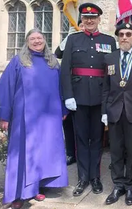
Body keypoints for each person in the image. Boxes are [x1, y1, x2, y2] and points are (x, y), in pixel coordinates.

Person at [0, 29, 68, 209]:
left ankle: (36, 187)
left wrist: (63, 109)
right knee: (22, 154)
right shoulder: (18, 62)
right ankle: (18, 194)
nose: (36, 41)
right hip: (23, 118)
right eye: (32, 39)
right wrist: (4, 115)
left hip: (47, 118)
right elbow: (6, 87)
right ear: (27, 42)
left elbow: (61, 88)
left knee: (42, 152)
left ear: (45, 41)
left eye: (39, 38)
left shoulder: (53, 64)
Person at [61, 3, 117, 196]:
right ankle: (83, 178)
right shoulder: (73, 40)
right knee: (81, 140)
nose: (89, 20)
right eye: (86, 18)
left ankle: (95, 177)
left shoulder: (109, 41)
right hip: (78, 98)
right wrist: (68, 96)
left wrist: (110, 98)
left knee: (97, 140)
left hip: (100, 99)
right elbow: (65, 70)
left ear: (99, 19)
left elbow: (112, 72)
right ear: (82, 21)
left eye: (93, 17)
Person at [101, 22, 132, 206]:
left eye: (128, 34)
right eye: (121, 34)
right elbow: (105, 88)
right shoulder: (109, 58)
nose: (124, 37)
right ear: (117, 37)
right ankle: (118, 185)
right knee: (116, 151)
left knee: (131, 151)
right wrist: (104, 112)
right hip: (114, 111)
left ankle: (130, 186)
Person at [55, 19, 84, 166]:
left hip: (84, 89)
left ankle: (82, 154)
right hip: (68, 86)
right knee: (68, 123)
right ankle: (71, 153)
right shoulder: (71, 40)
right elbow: (57, 54)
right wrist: (68, 37)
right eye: (80, 25)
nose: (82, 27)